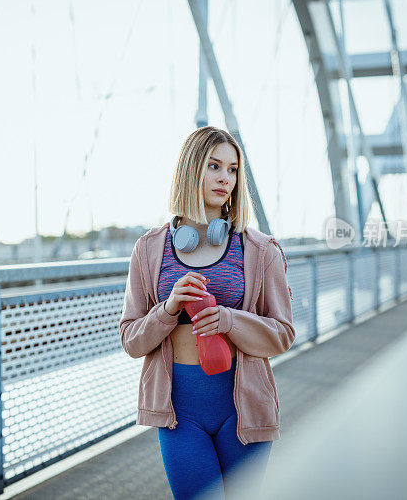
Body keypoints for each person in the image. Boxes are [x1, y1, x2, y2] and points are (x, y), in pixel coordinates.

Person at [119, 125, 295, 499]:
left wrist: (230, 320)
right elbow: (131, 341)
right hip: (179, 410)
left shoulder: (260, 250)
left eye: (232, 170)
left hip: (242, 404)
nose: (225, 179)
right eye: (214, 166)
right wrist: (167, 310)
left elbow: (282, 334)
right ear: (190, 169)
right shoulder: (149, 249)